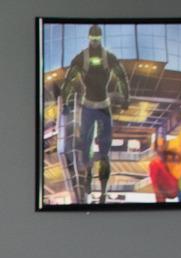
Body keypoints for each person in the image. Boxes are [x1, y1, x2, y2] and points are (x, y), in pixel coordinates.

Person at [60, 24, 131, 204]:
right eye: (92, 40)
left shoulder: (107, 57)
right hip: (90, 107)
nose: (95, 43)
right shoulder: (83, 57)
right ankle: (88, 180)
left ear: (100, 39)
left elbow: (121, 77)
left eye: (97, 40)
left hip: (101, 108)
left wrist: (126, 98)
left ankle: (103, 192)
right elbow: (69, 80)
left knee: (103, 153)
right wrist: (67, 103)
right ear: (89, 38)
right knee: (87, 147)